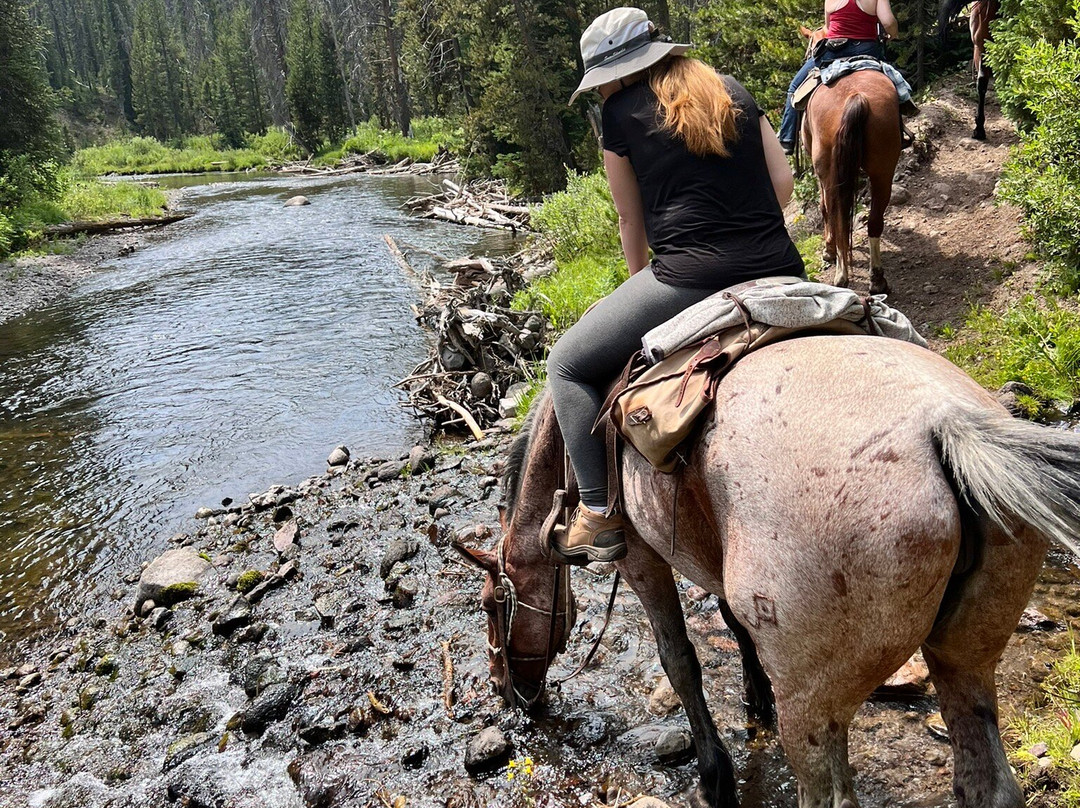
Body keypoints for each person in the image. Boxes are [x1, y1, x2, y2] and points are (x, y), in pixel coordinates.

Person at [550, 7, 804, 566]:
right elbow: (783, 187)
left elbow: (629, 220)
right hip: (782, 267)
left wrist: (639, 284)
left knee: (565, 364)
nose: (600, 95)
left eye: (600, 84)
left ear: (617, 74)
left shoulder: (619, 112)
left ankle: (597, 513)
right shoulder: (730, 89)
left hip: (690, 276)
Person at [778, 0, 905, 154]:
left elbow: (829, 27)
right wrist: (893, 33)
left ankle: (787, 139)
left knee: (794, 87)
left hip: (833, 52)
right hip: (866, 50)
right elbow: (888, 21)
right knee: (892, 82)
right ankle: (899, 130)